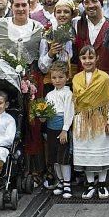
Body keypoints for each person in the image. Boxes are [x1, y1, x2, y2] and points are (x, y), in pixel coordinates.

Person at [71, 45, 109, 200]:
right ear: (80, 59)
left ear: (97, 59)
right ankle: (90, 183)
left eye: (91, 57)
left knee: (100, 151)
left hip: (100, 118)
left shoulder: (104, 77)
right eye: (84, 58)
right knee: (86, 152)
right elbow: (75, 101)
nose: (87, 61)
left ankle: (102, 183)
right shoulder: (76, 78)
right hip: (82, 120)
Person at [43, 63, 75, 198]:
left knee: (64, 158)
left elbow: (69, 113)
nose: (57, 80)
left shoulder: (68, 94)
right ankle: (60, 181)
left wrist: (65, 130)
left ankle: (67, 184)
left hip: (62, 129)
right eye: (54, 77)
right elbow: (46, 111)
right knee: (55, 158)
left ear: (67, 78)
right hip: (51, 129)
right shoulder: (49, 95)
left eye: (61, 77)